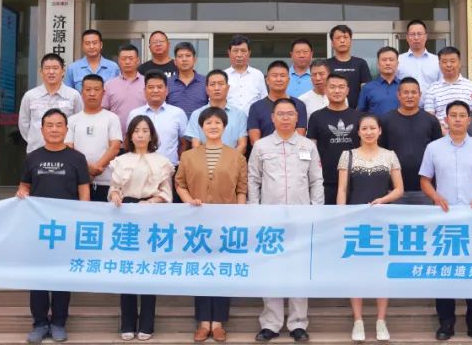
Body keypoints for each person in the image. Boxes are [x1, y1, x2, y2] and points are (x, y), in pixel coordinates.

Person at [419, 101, 472, 343]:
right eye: (452, 115)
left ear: (469, 120)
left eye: (462, 115)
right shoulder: (433, 148)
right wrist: (435, 196)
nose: (457, 119)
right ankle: (446, 322)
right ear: (446, 119)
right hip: (444, 220)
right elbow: (425, 179)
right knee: (444, 271)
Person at [249, 98, 324, 343]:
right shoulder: (260, 146)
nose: (285, 118)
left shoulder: (307, 146)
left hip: (301, 217)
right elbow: (253, 180)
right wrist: (255, 211)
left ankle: (298, 323)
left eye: (290, 114)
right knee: (271, 269)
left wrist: (316, 212)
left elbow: (316, 181)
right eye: (280, 114)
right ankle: (270, 323)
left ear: (297, 117)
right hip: (269, 219)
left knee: (298, 269)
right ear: (272, 118)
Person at [16, 109, 91, 344]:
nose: (55, 129)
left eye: (59, 125)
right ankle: (39, 323)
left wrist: (81, 221)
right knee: (38, 277)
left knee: (61, 276)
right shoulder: (33, 157)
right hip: (38, 228)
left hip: (66, 229)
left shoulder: (77, 158)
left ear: (66, 129)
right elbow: (24, 186)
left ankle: (58, 322)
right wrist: (22, 192)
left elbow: (84, 193)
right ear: (42, 130)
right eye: (50, 125)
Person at [175, 107, 248, 343]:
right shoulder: (189, 156)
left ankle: (218, 323)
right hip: (198, 222)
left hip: (226, 223)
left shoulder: (236, 157)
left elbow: (242, 189)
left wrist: (238, 214)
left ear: (225, 127)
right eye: (208, 123)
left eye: (218, 122)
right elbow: (180, 184)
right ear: (201, 127)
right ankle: (203, 322)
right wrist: (189, 201)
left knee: (222, 270)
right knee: (201, 271)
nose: (213, 126)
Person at [336, 114, 403, 343]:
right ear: (358, 132)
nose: (369, 132)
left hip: (383, 221)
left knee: (381, 272)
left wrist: (383, 200)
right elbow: (342, 190)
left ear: (380, 131)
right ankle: (358, 320)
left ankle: (381, 320)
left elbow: (399, 189)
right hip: (355, 222)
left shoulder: (390, 155)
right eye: (364, 128)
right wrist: (341, 218)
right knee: (356, 272)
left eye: (373, 128)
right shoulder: (348, 155)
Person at [109, 115, 174, 341]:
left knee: (148, 271)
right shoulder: (120, 160)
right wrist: (115, 195)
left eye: (145, 130)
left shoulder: (162, 161)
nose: (140, 134)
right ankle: (127, 323)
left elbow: (166, 193)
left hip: (151, 214)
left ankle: (147, 324)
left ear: (151, 135)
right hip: (125, 215)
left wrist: (152, 202)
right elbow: (114, 188)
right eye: (136, 130)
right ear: (130, 136)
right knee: (127, 269)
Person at [379, 78, 443, 205]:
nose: (410, 96)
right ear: (398, 95)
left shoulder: (431, 120)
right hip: (394, 188)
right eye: (405, 92)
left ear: (420, 95)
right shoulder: (386, 120)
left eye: (414, 92)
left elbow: (439, 154)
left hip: (425, 189)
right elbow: (381, 151)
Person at [65, 74, 123, 202]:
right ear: (82, 92)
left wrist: (97, 168)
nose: (92, 93)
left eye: (96, 90)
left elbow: (115, 147)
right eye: (88, 89)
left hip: (106, 181)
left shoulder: (112, 118)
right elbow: (69, 148)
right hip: (78, 180)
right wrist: (86, 168)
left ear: (103, 93)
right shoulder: (72, 120)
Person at [307, 73, 361, 205]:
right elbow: (311, 148)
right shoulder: (316, 117)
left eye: (341, 87)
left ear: (347, 90)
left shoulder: (359, 117)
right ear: (325, 89)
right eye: (332, 87)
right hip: (325, 180)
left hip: (355, 179)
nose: (337, 91)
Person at [19, 53, 83, 154]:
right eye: (47, 68)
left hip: (66, 152)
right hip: (36, 151)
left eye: (55, 68)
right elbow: (24, 124)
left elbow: (79, 123)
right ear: (41, 72)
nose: (51, 72)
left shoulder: (74, 95)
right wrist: (35, 140)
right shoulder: (30, 96)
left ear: (63, 71)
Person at [127, 71, 189, 168]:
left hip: (169, 169)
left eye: (159, 87)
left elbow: (185, 142)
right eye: (151, 87)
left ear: (166, 90)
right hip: (139, 168)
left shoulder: (178, 113)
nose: (155, 90)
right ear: (144, 91)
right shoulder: (134, 114)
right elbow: (129, 141)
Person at [247, 60, 307, 149]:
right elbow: (254, 140)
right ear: (267, 80)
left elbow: (300, 135)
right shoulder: (256, 107)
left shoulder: (299, 105)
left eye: (282, 76)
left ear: (288, 80)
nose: (279, 79)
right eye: (274, 76)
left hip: (293, 154)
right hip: (265, 154)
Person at [185, 69, 249, 151]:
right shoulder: (197, 114)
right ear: (207, 89)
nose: (217, 88)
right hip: (203, 158)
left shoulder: (239, 114)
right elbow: (196, 145)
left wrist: (229, 159)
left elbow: (242, 145)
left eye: (221, 84)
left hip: (233, 158)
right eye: (212, 84)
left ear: (228, 88)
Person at [422, 46, 472, 134]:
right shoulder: (432, 89)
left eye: (452, 61)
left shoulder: (471, 86)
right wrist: (443, 132)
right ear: (439, 64)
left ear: (459, 63)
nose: (448, 65)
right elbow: (429, 115)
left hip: (467, 135)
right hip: (441, 135)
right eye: (444, 62)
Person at [326, 24, 372, 109]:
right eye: (338, 38)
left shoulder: (361, 63)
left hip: (356, 112)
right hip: (331, 110)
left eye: (345, 37)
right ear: (332, 43)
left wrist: (360, 109)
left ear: (351, 41)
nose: (342, 40)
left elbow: (366, 90)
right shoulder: (326, 64)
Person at [104, 44, 147, 133]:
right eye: (124, 59)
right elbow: (104, 111)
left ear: (138, 61)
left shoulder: (147, 83)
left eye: (131, 58)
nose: (127, 62)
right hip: (116, 136)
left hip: (142, 136)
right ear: (119, 61)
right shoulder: (109, 85)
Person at [225, 34, 267, 112]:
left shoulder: (258, 75)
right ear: (229, 53)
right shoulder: (223, 75)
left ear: (249, 53)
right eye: (235, 51)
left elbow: (264, 101)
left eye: (243, 51)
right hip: (228, 118)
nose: (239, 55)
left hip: (253, 119)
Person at [167, 41, 208, 118]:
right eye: (180, 56)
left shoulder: (205, 82)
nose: (184, 59)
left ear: (194, 60)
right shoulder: (167, 83)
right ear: (175, 61)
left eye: (188, 56)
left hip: (199, 125)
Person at [357, 46, 400, 116]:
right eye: (384, 60)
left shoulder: (404, 86)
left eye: (391, 60)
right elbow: (360, 113)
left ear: (397, 63)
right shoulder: (367, 88)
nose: (388, 63)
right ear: (378, 64)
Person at [396, 20, 440, 88]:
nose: (416, 38)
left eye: (419, 34)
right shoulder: (398, 60)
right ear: (407, 37)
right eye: (412, 34)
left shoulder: (437, 61)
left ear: (426, 36)